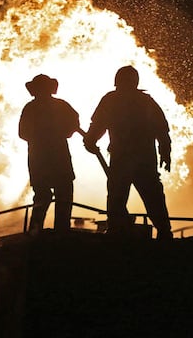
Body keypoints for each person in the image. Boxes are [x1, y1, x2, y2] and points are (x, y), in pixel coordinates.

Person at [83, 65, 173, 240]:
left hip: (124, 158)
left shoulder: (111, 100)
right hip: (142, 158)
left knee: (120, 195)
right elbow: (162, 130)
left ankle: (118, 229)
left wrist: (91, 139)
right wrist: (165, 152)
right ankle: (163, 231)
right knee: (151, 195)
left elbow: (98, 125)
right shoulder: (145, 101)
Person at [18, 74, 80, 232]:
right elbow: (74, 123)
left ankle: (36, 230)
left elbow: (23, 133)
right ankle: (60, 230)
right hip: (57, 158)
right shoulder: (61, 106)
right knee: (63, 193)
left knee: (43, 195)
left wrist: (39, 137)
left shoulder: (30, 108)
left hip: (39, 159)